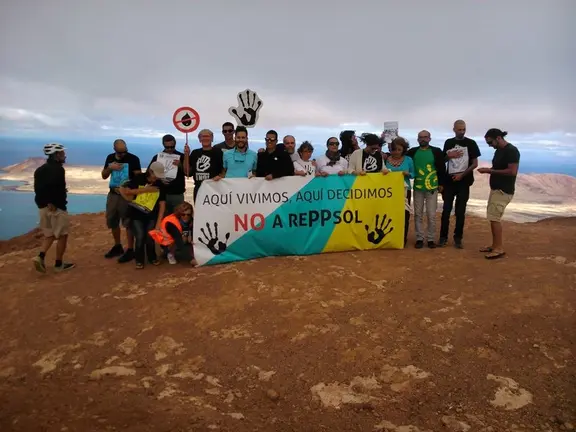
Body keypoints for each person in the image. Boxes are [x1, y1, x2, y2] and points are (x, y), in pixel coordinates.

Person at [477, 128, 520, 260]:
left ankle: (498, 248)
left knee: (495, 218)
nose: (490, 145)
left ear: (498, 138)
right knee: (492, 217)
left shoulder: (511, 151)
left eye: (490, 142)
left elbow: (512, 171)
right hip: (496, 189)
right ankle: (494, 245)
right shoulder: (499, 151)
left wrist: (490, 171)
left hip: (503, 190)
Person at [32, 143, 75, 273]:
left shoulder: (39, 170)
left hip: (42, 207)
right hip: (56, 208)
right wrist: (52, 202)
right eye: (62, 153)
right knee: (63, 235)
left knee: (49, 234)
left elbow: (38, 189)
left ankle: (40, 257)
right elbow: (53, 187)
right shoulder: (58, 169)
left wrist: (45, 201)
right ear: (56, 155)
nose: (64, 155)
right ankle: (58, 264)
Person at [439, 120, 481, 249]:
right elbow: (442, 161)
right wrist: (448, 156)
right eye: (459, 129)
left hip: (464, 182)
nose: (461, 132)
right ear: (454, 129)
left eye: (463, 129)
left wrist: (462, 175)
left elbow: (475, 163)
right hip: (449, 181)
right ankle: (443, 238)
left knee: (460, 211)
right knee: (446, 210)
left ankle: (458, 238)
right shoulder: (449, 142)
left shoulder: (471, 143)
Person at [119, 162, 167, 269]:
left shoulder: (160, 184)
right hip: (136, 214)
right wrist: (146, 190)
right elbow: (127, 192)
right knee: (140, 236)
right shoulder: (139, 178)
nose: (156, 178)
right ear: (150, 171)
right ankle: (139, 259)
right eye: (156, 175)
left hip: (151, 215)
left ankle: (152, 257)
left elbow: (162, 204)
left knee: (150, 237)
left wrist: (158, 223)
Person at [101, 138, 141, 261]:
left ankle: (130, 249)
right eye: (120, 152)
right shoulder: (110, 158)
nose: (123, 154)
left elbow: (138, 177)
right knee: (112, 220)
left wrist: (128, 186)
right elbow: (104, 175)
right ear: (115, 150)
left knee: (128, 222)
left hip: (127, 195)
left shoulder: (133, 159)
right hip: (113, 194)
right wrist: (110, 167)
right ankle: (117, 246)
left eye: (124, 151)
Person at [407, 130, 446, 249]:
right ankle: (419, 239)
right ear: (418, 139)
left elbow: (441, 168)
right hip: (418, 187)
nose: (423, 139)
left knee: (431, 214)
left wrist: (441, 183)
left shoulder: (436, 151)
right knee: (418, 214)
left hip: (432, 188)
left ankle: (430, 239)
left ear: (429, 138)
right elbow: (399, 156)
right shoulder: (413, 152)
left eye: (425, 137)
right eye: (420, 137)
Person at [385, 137, 415, 246]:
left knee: (404, 215)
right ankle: (390, 237)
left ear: (403, 149)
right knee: (390, 214)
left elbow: (413, 174)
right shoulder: (386, 159)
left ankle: (403, 238)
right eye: (394, 149)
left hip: (404, 190)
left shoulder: (408, 160)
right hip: (389, 192)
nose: (396, 152)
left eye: (399, 149)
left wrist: (408, 174)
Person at [149, 201, 197, 266]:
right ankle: (169, 253)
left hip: (178, 238)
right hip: (166, 242)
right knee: (181, 240)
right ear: (179, 214)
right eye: (183, 214)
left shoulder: (190, 220)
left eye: (188, 214)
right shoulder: (171, 223)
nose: (186, 216)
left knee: (190, 240)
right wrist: (191, 259)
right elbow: (179, 241)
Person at [148, 134, 186, 215]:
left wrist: (180, 165)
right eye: (167, 147)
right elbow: (149, 172)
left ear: (175, 144)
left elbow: (188, 173)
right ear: (163, 145)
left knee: (178, 216)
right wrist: (159, 178)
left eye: (172, 147)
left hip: (177, 193)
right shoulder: (157, 157)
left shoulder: (182, 156)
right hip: (161, 193)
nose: (169, 149)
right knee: (161, 218)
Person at [184, 129, 224, 202]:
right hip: (199, 189)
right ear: (199, 139)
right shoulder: (195, 153)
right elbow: (187, 173)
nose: (205, 138)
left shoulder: (218, 152)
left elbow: (224, 169)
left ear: (212, 138)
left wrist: (221, 176)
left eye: (207, 136)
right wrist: (186, 155)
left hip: (215, 190)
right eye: (203, 136)